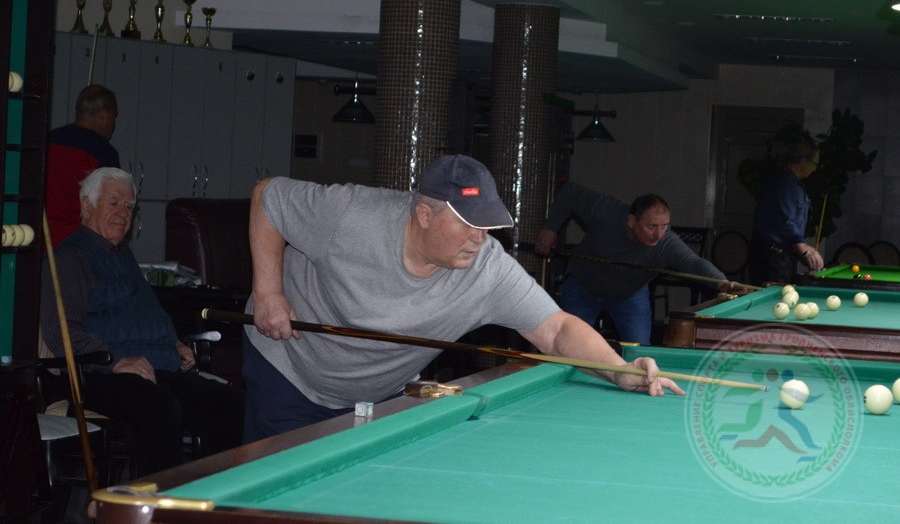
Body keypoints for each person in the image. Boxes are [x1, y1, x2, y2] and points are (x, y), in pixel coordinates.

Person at [243, 154, 684, 443]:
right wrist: (268, 292)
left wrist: (619, 371)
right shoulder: (350, 215)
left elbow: (555, 329)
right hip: (289, 371)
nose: (479, 238)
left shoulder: (486, 269)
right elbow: (268, 196)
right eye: (468, 224)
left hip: (380, 393)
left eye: (486, 225)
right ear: (423, 215)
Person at [39, 167, 244, 477]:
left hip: (151, 368)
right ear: (86, 205)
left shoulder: (123, 255)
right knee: (160, 405)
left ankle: (209, 492)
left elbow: (145, 311)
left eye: (129, 206)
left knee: (231, 404)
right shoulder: (72, 257)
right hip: (97, 373)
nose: (123, 213)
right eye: (113, 202)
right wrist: (116, 361)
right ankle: (156, 500)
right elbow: (60, 329)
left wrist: (173, 342)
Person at [535, 183, 743, 345]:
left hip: (629, 296)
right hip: (583, 288)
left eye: (664, 226)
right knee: (570, 347)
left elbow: (693, 263)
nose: (659, 234)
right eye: (652, 226)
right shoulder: (606, 211)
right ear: (632, 221)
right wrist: (550, 229)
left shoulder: (665, 243)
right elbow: (570, 192)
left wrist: (722, 283)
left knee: (640, 351)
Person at [45, 84, 121, 247]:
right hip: (80, 248)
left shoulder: (46, 142)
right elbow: (111, 211)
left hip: (42, 242)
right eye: (113, 116)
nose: (113, 124)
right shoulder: (104, 152)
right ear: (103, 115)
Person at [747, 137, 825, 285]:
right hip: (769, 257)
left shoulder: (794, 184)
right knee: (773, 297)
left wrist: (805, 248)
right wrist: (805, 251)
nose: (815, 169)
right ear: (803, 161)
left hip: (777, 254)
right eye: (814, 164)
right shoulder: (784, 183)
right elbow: (785, 222)